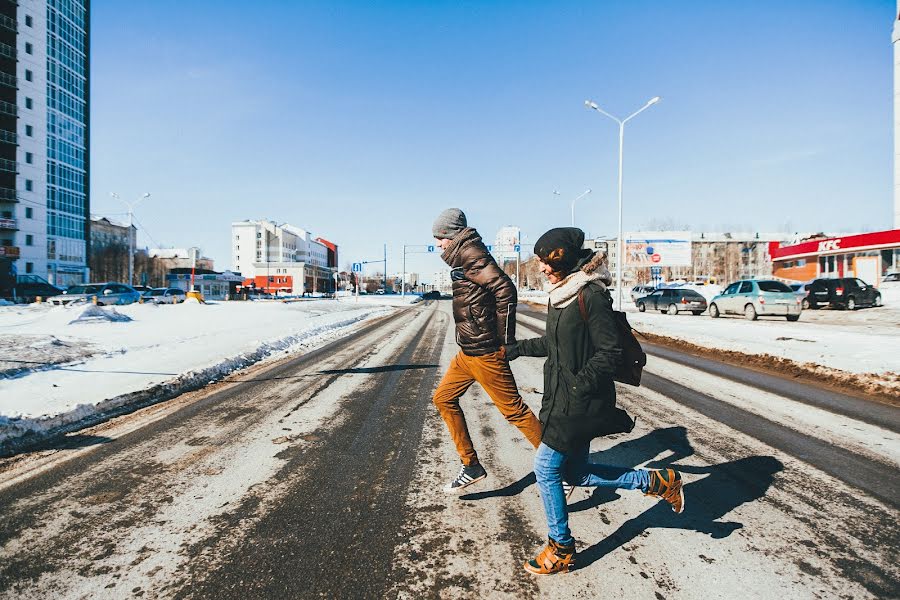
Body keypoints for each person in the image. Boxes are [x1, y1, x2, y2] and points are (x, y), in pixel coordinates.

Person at [504, 227, 684, 575]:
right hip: (560, 397)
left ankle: (561, 547)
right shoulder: (562, 294)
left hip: (577, 402)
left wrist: (578, 387)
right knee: (576, 472)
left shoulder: (591, 295)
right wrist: (517, 350)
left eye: (545, 261)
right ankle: (657, 482)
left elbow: (609, 352)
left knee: (545, 468)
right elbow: (556, 345)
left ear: (564, 260)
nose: (540, 268)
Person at [431, 208, 543, 493]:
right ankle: (471, 466)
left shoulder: (471, 253)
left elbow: (505, 289)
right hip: (468, 352)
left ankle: (561, 467)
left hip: (485, 351)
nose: (439, 244)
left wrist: (506, 340)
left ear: (452, 235)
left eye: (441, 237)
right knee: (443, 399)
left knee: (514, 411)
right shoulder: (463, 256)